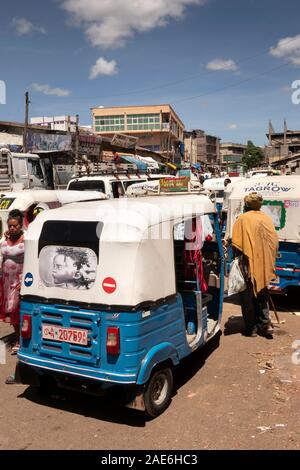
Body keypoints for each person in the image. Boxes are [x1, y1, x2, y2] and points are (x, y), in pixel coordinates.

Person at [232, 192, 278, 338]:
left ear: (246, 205)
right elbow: (274, 243)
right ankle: (265, 323)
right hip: (263, 265)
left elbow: (237, 245)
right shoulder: (266, 218)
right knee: (262, 294)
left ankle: (251, 328)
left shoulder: (243, 219)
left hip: (247, 266)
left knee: (247, 298)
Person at [0, 209, 25, 354]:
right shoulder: (5, 240)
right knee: (10, 311)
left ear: (20, 225)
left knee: (19, 311)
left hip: (20, 280)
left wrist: (26, 281)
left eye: (15, 225)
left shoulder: (26, 240)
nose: (12, 228)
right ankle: (18, 338)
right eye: (10, 225)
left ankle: (22, 340)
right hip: (6, 281)